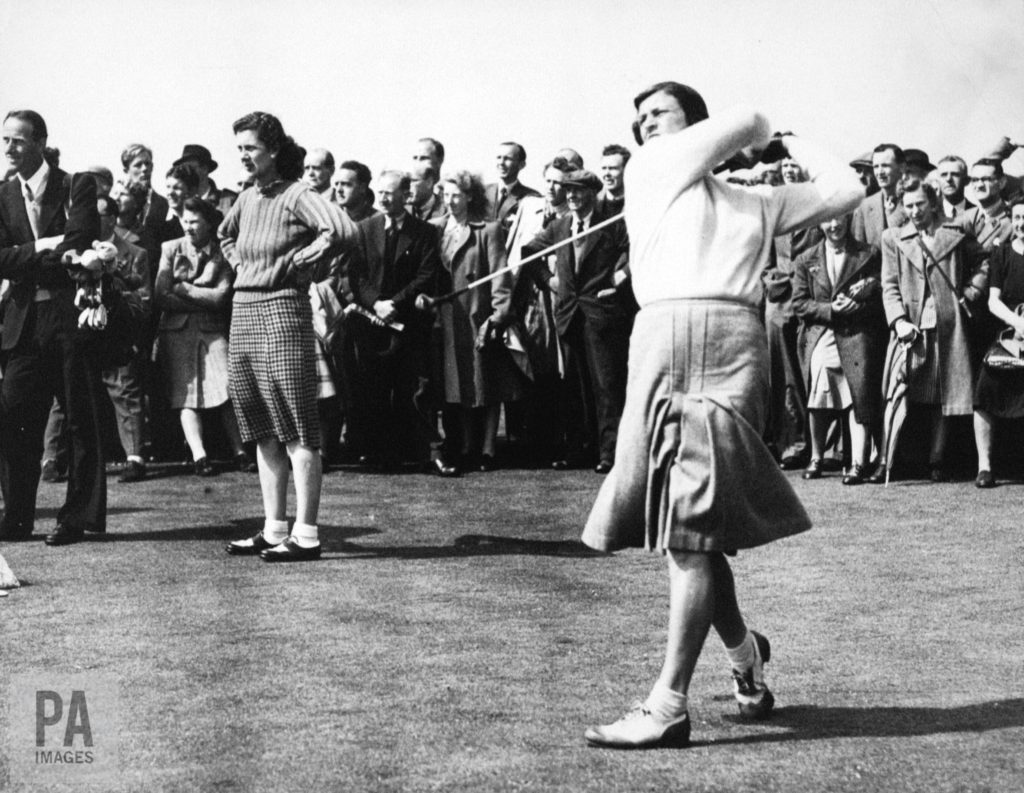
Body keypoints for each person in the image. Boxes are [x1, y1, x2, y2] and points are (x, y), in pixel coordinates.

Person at [580, 82, 862, 749]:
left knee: (693, 526)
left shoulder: (758, 202)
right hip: (660, 344)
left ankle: (668, 704)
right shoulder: (649, 169)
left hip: (732, 346)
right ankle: (744, 656)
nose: (645, 124)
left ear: (694, 125)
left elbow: (846, 187)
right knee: (690, 528)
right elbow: (748, 121)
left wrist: (782, 140)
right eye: (639, 116)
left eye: (660, 113)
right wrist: (763, 135)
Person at [220, 111, 344, 563]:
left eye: (250, 148)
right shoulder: (248, 196)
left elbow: (341, 230)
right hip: (245, 310)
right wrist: (242, 268)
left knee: (296, 423)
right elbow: (224, 235)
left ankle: (306, 533)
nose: (243, 156)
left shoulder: (297, 194)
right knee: (260, 425)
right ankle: (275, 528)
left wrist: (298, 262)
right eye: (239, 149)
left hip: (283, 311)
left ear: (273, 149)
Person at [0, 109, 105, 545]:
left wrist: (27, 254)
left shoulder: (75, 184)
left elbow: (79, 244)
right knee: (12, 417)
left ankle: (76, 518)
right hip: (22, 325)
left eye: (18, 141)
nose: (8, 148)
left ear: (40, 142)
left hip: (69, 322)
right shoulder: (2, 195)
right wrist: (46, 247)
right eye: (5, 140)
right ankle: (18, 516)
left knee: (80, 419)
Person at [521, 168, 635, 474]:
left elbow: (635, 250)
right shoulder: (560, 226)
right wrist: (551, 281)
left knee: (606, 388)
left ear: (591, 193)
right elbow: (528, 251)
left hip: (602, 316)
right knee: (574, 388)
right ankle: (579, 451)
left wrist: (619, 277)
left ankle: (610, 453)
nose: (570, 195)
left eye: (577, 190)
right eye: (566, 190)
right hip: (570, 317)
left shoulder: (611, 222)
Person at [880, 177, 989, 482]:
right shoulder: (893, 238)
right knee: (902, 390)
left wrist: (972, 291)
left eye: (919, 204)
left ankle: (937, 459)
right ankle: (892, 459)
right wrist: (898, 320)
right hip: (910, 325)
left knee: (943, 391)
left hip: (948, 324)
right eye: (908, 205)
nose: (914, 211)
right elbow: (889, 286)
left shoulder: (955, 232)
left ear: (932, 202)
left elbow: (983, 262)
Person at [349, 170, 451, 475]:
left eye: (390, 192)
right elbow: (357, 275)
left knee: (415, 390)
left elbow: (426, 274)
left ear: (405, 195)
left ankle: (427, 452)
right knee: (377, 389)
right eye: (380, 192)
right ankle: (384, 453)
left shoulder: (424, 232)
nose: (382, 197)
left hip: (409, 325)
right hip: (373, 324)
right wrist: (376, 303)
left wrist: (395, 303)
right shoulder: (364, 229)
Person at [429, 170, 521, 470]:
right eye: (446, 195)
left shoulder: (488, 230)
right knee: (460, 384)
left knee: (486, 383)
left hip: (477, 315)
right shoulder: (434, 229)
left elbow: (500, 276)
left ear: (470, 196)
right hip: (445, 319)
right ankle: (468, 445)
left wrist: (498, 316)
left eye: (456, 195)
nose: (450, 201)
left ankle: (488, 448)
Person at [156, 197, 252, 478]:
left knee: (227, 391)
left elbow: (222, 297)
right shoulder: (170, 248)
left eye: (194, 221)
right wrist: (201, 297)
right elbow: (161, 295)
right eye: (185, 220)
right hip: (177, 331)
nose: (188, 226)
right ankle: (200, 456)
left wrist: (183, 288)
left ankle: (241, 452)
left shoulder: (223, 252)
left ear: (209, 224)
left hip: (212, 330)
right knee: (185, 396)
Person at [791, 214, 887, 484]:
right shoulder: (806, 259)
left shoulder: (868, 253)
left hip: (857, 332)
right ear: (820, 224)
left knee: (858, 390)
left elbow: (880, 293)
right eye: (828, 221)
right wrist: (829, 309)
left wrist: (860, 306)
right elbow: (799, 303)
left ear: (848, 220)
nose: (834, 226)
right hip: (824, 331)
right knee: (820, 380)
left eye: (839, 219)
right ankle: (816, 457)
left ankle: (858, 462)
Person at [971, 200, 1024, 488]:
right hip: (1009, 335)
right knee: (984, 391)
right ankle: (985, 467)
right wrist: (1019, 325)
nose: (1021, 224)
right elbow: (993, 300)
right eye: (1017, 218)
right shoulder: (1001, 253)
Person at [851, 143, 908, 248]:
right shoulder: (865, 206)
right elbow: (859, 253)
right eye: (876, 167)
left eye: (885, 166)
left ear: (902, 167)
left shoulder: (913, 201)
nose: (879, 172)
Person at [485, 142, 540, 232]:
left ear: (521, 165)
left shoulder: (531, 197)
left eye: (507, 159)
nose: (501, 163)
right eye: (499, 157)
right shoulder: (481, 192)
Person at [171, 144, 237, 216]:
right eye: (184, 169)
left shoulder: (227, 201)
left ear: (204, 169)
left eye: (190, 168)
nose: (187, 173)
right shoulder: (178, 202)